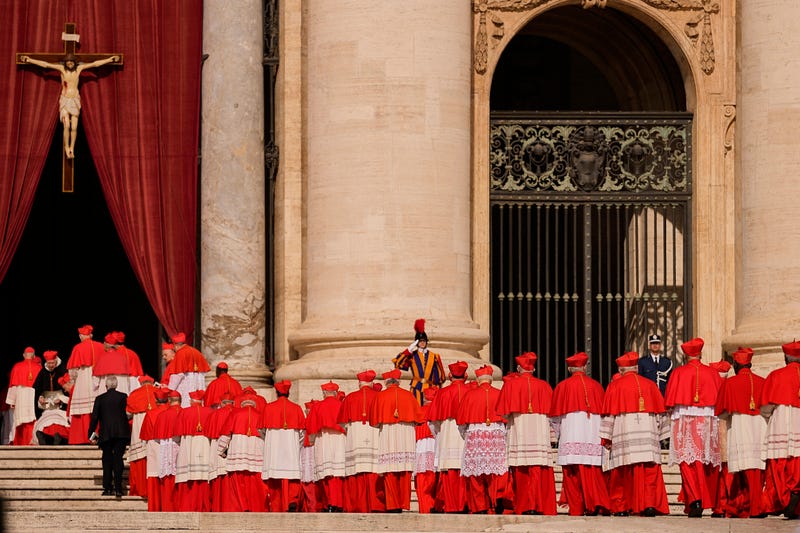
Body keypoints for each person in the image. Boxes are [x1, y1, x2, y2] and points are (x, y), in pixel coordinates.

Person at [600, 351, 670, 517]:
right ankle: (649, 505)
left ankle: (622, 507)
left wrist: (606, 437)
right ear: (637, 368)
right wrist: (659, 434)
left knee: (623, 472)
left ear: (622, 370)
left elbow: (609, 414)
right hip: (648, 433)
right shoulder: (651, 385)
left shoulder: (615, 386)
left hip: (624, 433)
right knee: (649, 472)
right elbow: (660, 414)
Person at [19, 53, 119, 159]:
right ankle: (66, 147)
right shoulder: (62, 69)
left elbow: (95, 64)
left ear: (75, 62)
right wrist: (30, 60)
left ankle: (72, 148)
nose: (70, 63)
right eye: (68, 61)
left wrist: (109, 59)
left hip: (75, 100)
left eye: (71, 61)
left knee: (74, 127)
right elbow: (45, 64)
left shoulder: (79, 68)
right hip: (65, 101)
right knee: (66, 126)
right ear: (65, 62)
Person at [664, 337, 723, 517]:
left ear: (685, 355)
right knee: (705, 462)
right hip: (707, 421)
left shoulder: (679, 373)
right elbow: (720, 400)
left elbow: (669, 401)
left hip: (684, 421)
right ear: (700, 353)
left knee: (686, 460)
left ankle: (695, 499)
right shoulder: (712, 373)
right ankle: (706, 499)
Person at [549, 351, 610, 516]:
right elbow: (605, 415)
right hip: (592, 435)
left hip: (571, 434)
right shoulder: (597, 386)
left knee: (572, 473)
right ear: (584, 367)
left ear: (570, 369)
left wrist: (557, 434)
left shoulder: (563, 386)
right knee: (591, 472)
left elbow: (555, 417)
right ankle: (593, 506)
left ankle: (576, 509)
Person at [496, 352, 556, 515]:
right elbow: (552, 415)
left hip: (519, 433)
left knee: (521, 472)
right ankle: (539, 505)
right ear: (533, 368)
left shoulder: (511, 385)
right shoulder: (544, 386)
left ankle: (524, 505)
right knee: (537, 470)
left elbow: (503, 414)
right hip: (539, 433)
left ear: (518, 368)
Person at [715, 348, 766, 518]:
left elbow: (721, 411)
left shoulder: (730, 383)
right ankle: (751, 505)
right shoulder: (763, 381)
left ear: (736, 364)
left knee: (746, 468)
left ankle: (754, 507)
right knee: (758, 468)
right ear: (750, 364)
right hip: (759, 426)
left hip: (740, 425)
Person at [369, 368, 424, 512]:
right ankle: (403, 503)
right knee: (404, 470)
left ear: (386, 382)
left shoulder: (380, 396)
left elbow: (374, 421)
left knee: (390, 470)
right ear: (399, 381)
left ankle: (393, 505)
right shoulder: (409, 395)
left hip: (388, 432)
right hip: (406, 433)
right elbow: (419, 418)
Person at [456, 364, 508, 514]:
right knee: (496, 473)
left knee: (476, 474)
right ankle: (496, 501)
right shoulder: (500, 393)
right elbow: (506, 418)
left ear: (478, 380)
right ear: (491, 380)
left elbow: (461, 423)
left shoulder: (469, 395)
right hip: (496, 434)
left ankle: (480, 506)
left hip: (475, 435)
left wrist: (466, 436)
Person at [761, 340, 800, 518]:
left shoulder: (776, 375)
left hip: (781, 421)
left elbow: (766, 406)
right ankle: (795, 493)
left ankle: (784, 499)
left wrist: (769, 416)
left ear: (786, 358)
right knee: (797, 463)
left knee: (779, 463)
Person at [337, 369, 383, 512]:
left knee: (356, 470)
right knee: (373, 469)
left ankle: (357, 504)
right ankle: (376, 505)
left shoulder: (350, 398)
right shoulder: (379, 396)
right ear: (372, 383)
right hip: (375, 434)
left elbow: (342, 423)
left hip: (355, 435)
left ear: (359, 383)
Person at [216, 389, 266, 512]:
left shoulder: (235, 414)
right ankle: (256, 508)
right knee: (255, 484)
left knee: (238, 484)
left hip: (237, 453)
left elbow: (226, 434)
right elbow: (266, 436)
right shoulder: (261, 415)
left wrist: (221, 451)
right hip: (256, 454)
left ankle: (242, 507)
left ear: (242, 403)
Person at [260, 380, 305, 512]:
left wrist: (268, 440)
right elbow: (302, 432)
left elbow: (261, 430)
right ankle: (292, 500)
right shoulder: (296, 408)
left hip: (274, 449)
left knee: (274, 480)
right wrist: (297, 444)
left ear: (276, 392)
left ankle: (276, 506)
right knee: (292, 478)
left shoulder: (268, 408)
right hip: (291, 447)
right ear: (289, 393)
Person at [306, 381, 347, 512]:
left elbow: (311, 428)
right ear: (335, 393)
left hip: (323, 439)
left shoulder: (318, 407)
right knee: (338, 473)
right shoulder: (342, 405)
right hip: (340, 440)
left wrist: (312, 441)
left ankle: (328, 502)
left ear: (324, 393)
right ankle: (338, 503)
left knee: (326, 473)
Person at [88, 376, 130, 498]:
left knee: (106, 460)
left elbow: (94, 418)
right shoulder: (123, 397)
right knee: (118, 458)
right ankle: (118, 488)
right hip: (121, 433)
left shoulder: (100, 398)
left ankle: (107, 488)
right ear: (116, 385)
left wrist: (91, 435)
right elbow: (128, 413)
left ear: (106, 386)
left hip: (105, 433)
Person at [174, 389, 213, 512]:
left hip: (188, 444)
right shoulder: (210, 412)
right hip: (206, 444)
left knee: (189, 476)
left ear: (191, 401)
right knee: (204, 476)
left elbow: (176, 436)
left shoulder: (184, 412)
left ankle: (189, 504)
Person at [67, 325, 105, 444]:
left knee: (83, 409)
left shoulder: (78, 347)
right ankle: (97, 436)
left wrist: (73, 380)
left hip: (83, 377)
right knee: (97, 407)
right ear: (91, 335)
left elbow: (73, 370)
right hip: (99, 376)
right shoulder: (100, 346)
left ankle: (82, 437)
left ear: (81, 336)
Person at [392, 319, 445, 404]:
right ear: (416, 342)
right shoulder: (412, 355)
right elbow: (398, 364)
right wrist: (408, 350)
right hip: (416, 387)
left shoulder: (434, 356)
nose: (422, 343)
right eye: (420, 341)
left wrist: (437, 388)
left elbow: (440, 376)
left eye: (424, 341)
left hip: (430, 389)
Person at [125, 375, 158, 497]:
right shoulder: (158, 392)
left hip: (139, 428)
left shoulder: (135, 394)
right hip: (155, 427)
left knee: (140, 458)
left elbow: (128, 412)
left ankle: (140, 488)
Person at [139, 388, 170, 511]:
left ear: (156, 400)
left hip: (153, 445)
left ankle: (155, 506)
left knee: (154, 475)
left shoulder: (150, 413)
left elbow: (145, 434)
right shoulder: (171, 411)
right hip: (170, 444)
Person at [708, 359, 732, 517]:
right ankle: (728, 505)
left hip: (715, 431)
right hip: (730, 431)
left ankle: (719, 506)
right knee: (729, 472)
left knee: (717, 472)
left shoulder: (711, 386)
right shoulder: (730, 385)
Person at [152, 389, 183, 511]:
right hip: (182, 448)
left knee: (168, 479)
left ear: (169, 401)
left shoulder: (162, 415)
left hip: (166, 449)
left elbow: (157, 439)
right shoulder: (184, 413)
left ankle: (167, 507)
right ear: (180, 401)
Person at [205, 392, 235, 512]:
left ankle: (218, 507)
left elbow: (208, 433)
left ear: (221, 403)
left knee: (218, 481)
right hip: (232, 447)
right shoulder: (236, 413)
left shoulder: (215, 414)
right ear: (232, 403)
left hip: (217, 446)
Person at [6, 347, 41, 445]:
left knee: (21, 420)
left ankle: (20, 442)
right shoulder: (39, 368)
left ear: (24, 355)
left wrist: (12, 401)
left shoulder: (17, 367)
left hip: (21, 395)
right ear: (34, 355)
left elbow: (13, 385)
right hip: (34, 395)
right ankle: (33, 441)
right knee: (33, 418)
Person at [168, 333, 211, 407]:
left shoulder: (180, 353)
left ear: (176, 345)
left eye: (173, 347)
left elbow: (178, 375)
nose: (174, 349)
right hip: (197, 391)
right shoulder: (196, 352)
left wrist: (170, 390)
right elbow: (203, 373)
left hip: (186, 390)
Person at [414, 386, 439, 513]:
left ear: (424, 398)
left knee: (423, 482)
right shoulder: (439, 410)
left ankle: (425, 509)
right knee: (435, 481)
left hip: (421, 447)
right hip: (437, 447)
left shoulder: (419, 411)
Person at [33, 373, 71, 445]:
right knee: (50, 422)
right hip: (49, 411)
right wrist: (41, 400)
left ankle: (48, 438)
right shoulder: (43, 373)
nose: (65, 391)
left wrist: (61, 399)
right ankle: (47, 437)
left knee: (56, 424)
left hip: (61, 411)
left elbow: (70, 400)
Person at [32, 350, 67, 419]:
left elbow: (67, 389)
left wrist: (61, 400)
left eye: (52, 363)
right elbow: (37, 388)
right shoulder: (43, 371)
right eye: (49, 363)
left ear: (56, 361)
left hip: (59, 397)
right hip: (46, 401)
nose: (51, 365)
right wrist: (40, 397)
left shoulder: (62, 370)